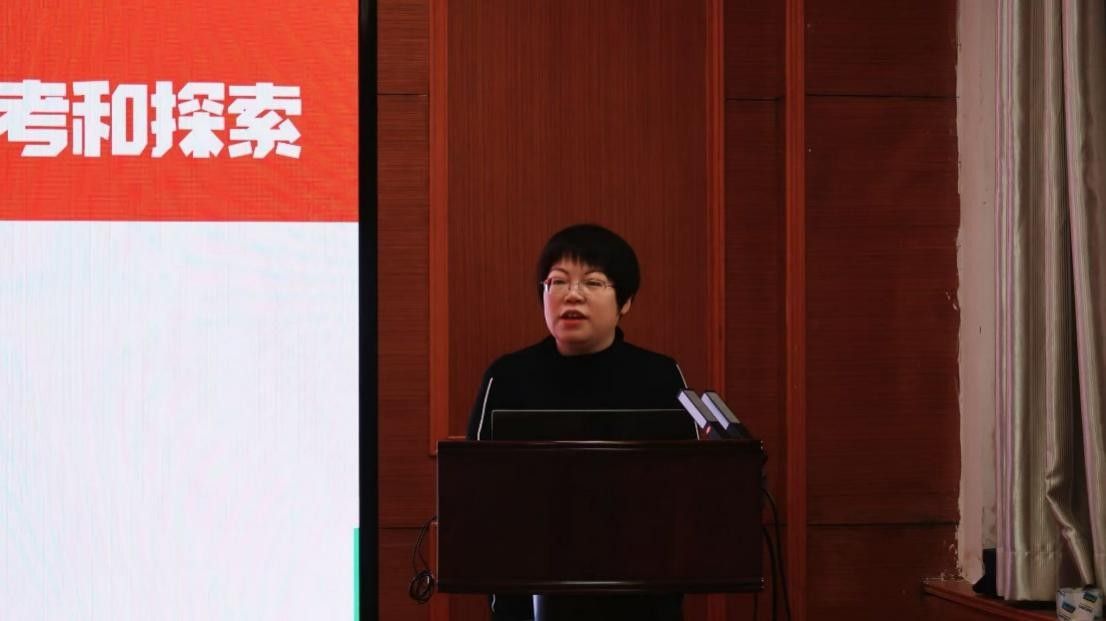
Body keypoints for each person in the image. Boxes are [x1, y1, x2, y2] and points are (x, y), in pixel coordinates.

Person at [466, 223, 688, 621]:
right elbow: (474, 487)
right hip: (527, 593)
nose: (572, 294)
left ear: (625, 301)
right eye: (558, 281)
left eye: (593, 282)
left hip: (640, 595)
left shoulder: (659, 376)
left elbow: (685, 491)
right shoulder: (509, 376)